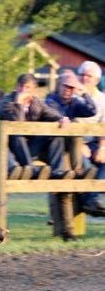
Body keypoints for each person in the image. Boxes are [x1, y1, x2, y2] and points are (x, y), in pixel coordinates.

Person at [44, 71, 98, 241]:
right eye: (66, 86)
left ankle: (78, 171)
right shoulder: (50, 100)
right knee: (63, 190)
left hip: (66, 153)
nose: (68, 89)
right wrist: (62, 119)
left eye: (71, 87)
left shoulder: (75, 102)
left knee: (66, 191)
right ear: (58, 85)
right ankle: (79, 171)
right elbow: (53, 114)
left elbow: (91, 110)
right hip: (52, 152)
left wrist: (85, 93)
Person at [0, 73, 75, 180]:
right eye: (21, 86)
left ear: (34, 90)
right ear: (16, 87)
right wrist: (18, 103)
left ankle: (57, 172)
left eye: (27, 87)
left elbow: (50, 113)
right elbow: (17, 125)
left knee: (55, 133)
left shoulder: (37, 102)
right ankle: (32, 170)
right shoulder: (7, 101)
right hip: (12, 148)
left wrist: (61, 118)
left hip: (30, 146)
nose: (23, 89)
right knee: (16, 133)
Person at [74, 61, 105, 217]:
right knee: (85, 167)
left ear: (97, 80)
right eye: (82, 74)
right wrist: (79, 143)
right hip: (72, 141)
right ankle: (87, 202)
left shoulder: (102, 99)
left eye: (89, 76)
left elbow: (104, 126)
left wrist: (102, 148)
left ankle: (92, 200)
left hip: (94, 142)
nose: (84, 78)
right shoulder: (72, 95)